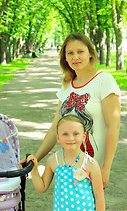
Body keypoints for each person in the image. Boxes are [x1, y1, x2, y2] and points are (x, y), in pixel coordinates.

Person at [34, 32, 121, 188]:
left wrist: (106, 167)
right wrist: (35, 158)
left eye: (80, 51)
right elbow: (56, 126)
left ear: (90, 54)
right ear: (65, 58)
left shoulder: (104, 80)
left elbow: (113, 126)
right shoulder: (67, 85)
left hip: (92, 167)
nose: (75, 57)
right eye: (70, 53)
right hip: (68, 166)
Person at [25, 115, 105, 211]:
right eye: (65, 134)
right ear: (58, 138)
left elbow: (99, 196)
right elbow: (42, 188)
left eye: (76, 134)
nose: (70, 138)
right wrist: (34, 170)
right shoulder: (53, 160)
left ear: (84, 137)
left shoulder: (90, 163)